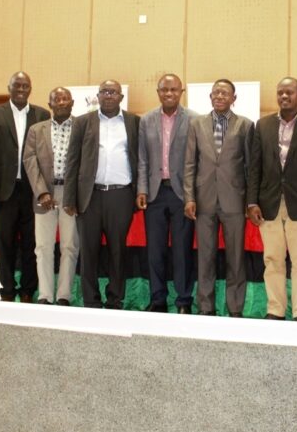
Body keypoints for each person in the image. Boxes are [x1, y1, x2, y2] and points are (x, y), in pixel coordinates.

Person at [247, 77, 297, 322]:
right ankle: (276, 309)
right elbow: (254, 167)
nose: (284, 97)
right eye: (280, 92)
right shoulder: (262, 125)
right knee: (272, 259)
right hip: (269, 202)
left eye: (289, 92)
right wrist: (252, 202)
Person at [63, 80, 140, 309]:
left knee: (118, 251)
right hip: (90, 196)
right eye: (104, 92)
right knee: (89, 251)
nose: (108, 95)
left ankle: (115, 298)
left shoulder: (134, 122)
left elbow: (140, 159)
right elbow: (72, 160)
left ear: (120, 97)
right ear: (98, 95)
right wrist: (69, 197)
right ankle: (91, 299)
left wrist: (140, 192)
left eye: (113, 92)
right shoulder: (83, 122)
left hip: (121, 195)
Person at [184, 79, 254, 317]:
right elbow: (190, 164)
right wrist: (189, 197)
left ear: (234, 98)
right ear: (210, 97)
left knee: (236, 258)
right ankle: (206, 307)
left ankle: (235, 308)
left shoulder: (245, 125)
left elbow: (250, 167)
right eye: (216, 93)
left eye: (225, 93)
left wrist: (250, 201)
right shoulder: (197, 124)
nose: (219, 96)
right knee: (205, 257)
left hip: (234, 200)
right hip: (204, 201)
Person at [0, 72, 49, 302]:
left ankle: (28, 290)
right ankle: (7, 290)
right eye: (17, 85)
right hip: (4, 191)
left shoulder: (42, 114)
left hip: (33, 190)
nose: (21, 89)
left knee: (31, 243)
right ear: (9, 87)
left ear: (30, 89)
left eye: (25, 85)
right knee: (5, 242)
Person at [136, 74, 197, 314]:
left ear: (181, 92)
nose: (168, 93)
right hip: (154, 193)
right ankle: (158, 299)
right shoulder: (147, 120)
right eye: (164, 90)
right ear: (158, 92)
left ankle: (183, 301)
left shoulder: (194, 119)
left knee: (182, 251)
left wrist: (193, 195)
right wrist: (141, 189)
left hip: (182, 193)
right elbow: (142, 158)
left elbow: (196, 160)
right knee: (155, 250)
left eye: (173, 89)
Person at [23, 87, 78, 306]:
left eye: (65, 99)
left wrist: (75, 195)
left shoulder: (82, 127)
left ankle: (64, 295)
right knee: (43, 247)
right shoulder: (37, 129)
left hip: (70, 194)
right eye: (57, 99)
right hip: (44, 192)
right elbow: (30, 161)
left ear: (72, 103)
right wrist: (42, 192)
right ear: (50, 104)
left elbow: (85, 163)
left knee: (69, 246)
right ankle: (45, 295)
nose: (61, 102)